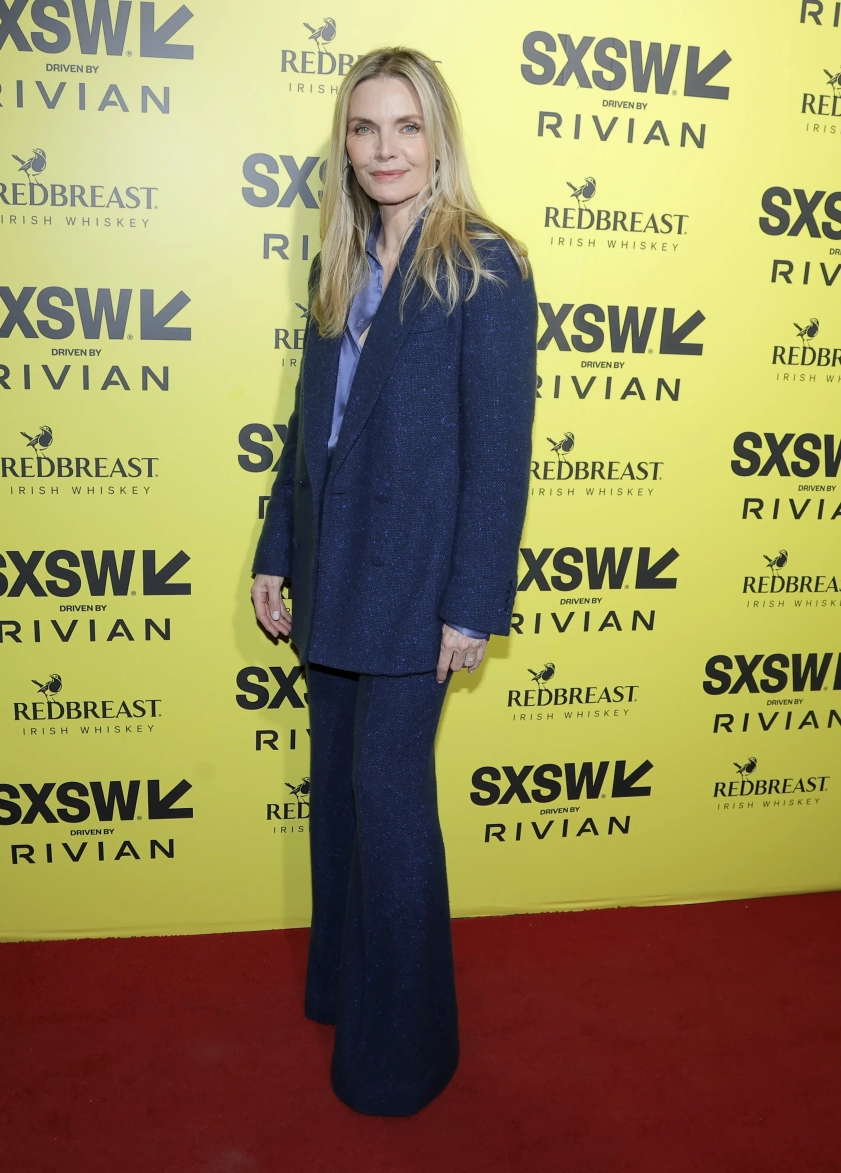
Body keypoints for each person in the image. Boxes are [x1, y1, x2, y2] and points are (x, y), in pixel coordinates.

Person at [250, 46, 537, 1117]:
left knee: (389, 801)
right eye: (365, 128)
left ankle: (405, 1053)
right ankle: (344, 989)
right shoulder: (340, 260)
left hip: (418, 587)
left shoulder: (485, 266)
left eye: (406, 126)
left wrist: (472, 604)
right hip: (332, 574)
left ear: (437, 137)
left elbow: (499, 455)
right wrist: (276, 548)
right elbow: (307, 432)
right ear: (346, 144)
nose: (385, 149)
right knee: (339, 793)